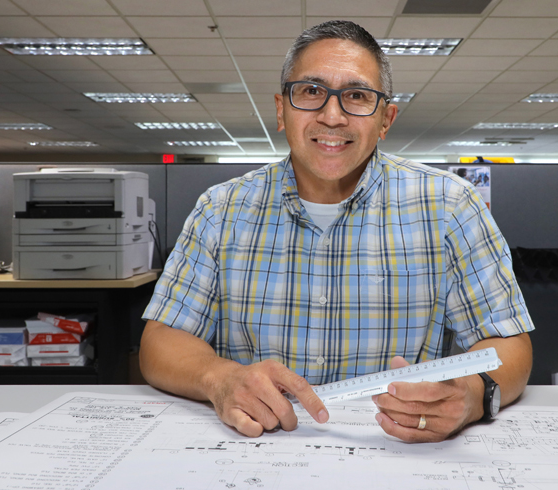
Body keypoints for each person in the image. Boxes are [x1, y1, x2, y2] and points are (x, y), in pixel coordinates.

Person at [140, 20, 534, 443]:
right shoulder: (221, 209)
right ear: (281, 109)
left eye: (357, 96)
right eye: (311, 91)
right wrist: (219, 378)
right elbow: (162, 340)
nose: (332, 116)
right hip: (257, 447)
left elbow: (507, 345)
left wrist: (473, 396)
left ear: (385, 119)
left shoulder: (451, 206)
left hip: (397, 450)